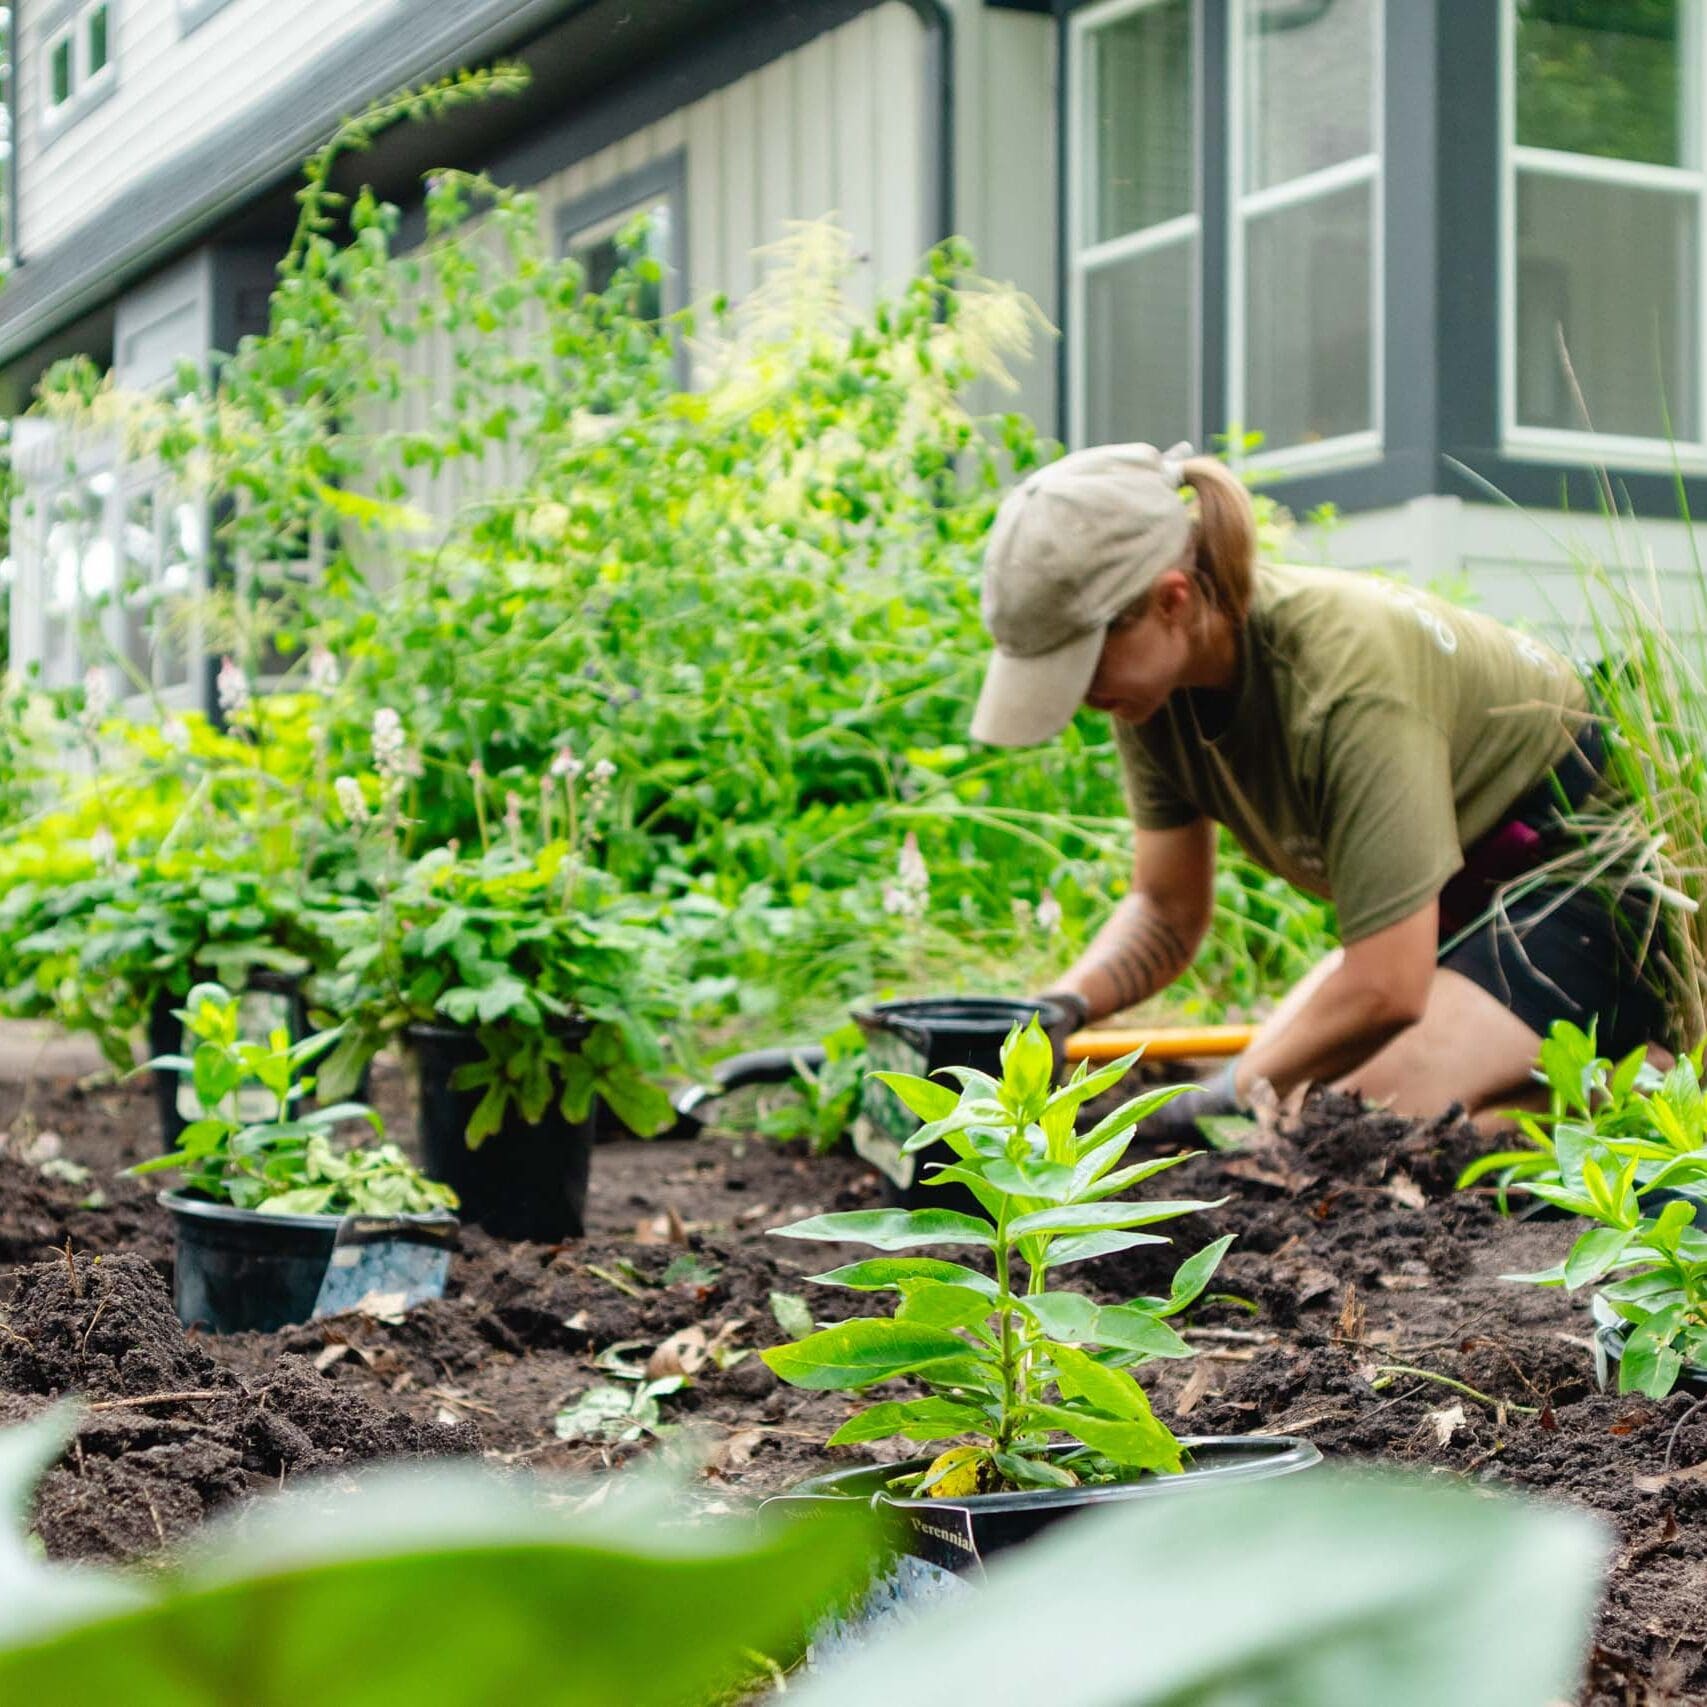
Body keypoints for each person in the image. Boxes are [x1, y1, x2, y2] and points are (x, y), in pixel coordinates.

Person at [971, 441, 1663, 1133]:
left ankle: (1650, 1084)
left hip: (1592, 876)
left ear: (1170, 600)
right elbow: (1164, 908)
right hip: (1455, 897)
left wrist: (1217, 1097)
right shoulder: (1150, 690)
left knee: (1350, 1130)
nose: (1081, 697)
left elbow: (1386, 988)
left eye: (1081, 665)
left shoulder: (1341, 683)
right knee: (1281, 1105)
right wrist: (1059, 1007)